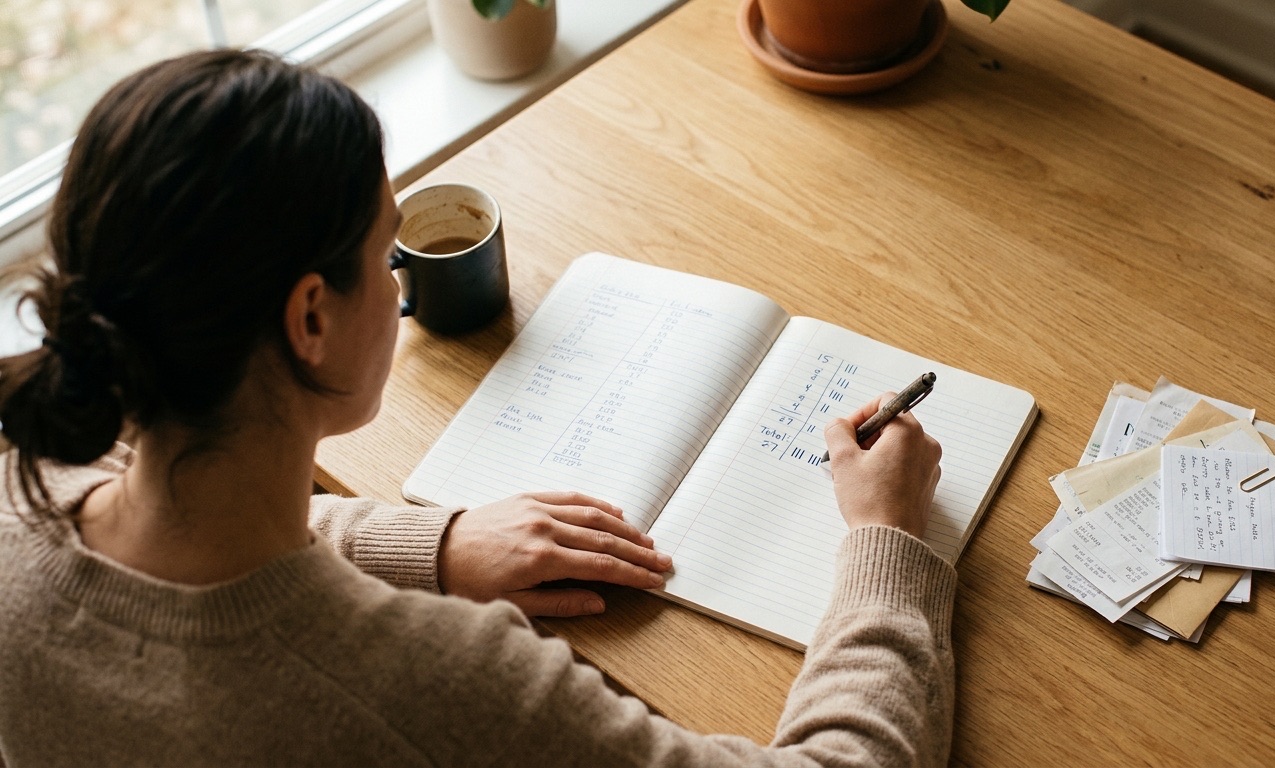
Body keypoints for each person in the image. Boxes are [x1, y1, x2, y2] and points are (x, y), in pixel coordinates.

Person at [0, 49, 953, 767]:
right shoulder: (432, 683)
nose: (401, 280)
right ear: (310, 318)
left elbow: (198, 544)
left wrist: (429, 549)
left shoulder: (27, 478)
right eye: (387, 255)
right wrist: (889, 543)